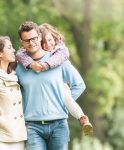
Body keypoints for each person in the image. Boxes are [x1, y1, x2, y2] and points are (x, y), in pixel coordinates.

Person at [16, 21, 86, 150]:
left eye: (34, 38)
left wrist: (63, 102)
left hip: (59, 125)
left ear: (39, 36)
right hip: (32, 127)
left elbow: (79, 85)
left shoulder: (58, 60)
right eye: (27, 40)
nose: (31, 43)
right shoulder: (19, 66)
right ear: (21, 42)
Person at [0, 36, 27, 150]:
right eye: (9, 47)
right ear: (0, 53)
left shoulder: (15, 75)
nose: (13, 50)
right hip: (2, 136)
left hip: (18, 135)